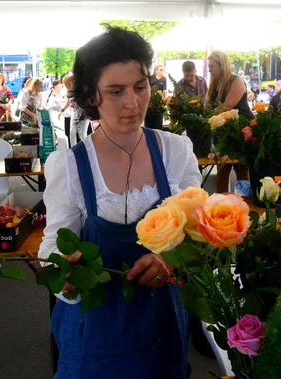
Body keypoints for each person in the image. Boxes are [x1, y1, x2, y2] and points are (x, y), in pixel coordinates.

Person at [38, 25, 199, 378]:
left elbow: (196, 231)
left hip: (162, 319)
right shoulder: (70, 165)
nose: (133, 103)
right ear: (90, 95)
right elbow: (53, 243)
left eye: (140, 87)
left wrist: (169, 257)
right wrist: (62, 270)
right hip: (96, 326)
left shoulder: (175, 151)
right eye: (115, 91)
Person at [205, 50, 254, 193]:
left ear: (222, 65)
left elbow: (226, 107)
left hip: (241, 130)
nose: (209, 70)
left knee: (241, 169)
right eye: (209, 67)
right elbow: (207, 105)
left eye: (212, 66)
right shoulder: (214, 83)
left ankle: (244, 203)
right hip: (222, 130)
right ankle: (221, 204)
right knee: (222, 169)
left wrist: (206, 117)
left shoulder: (236, 81)